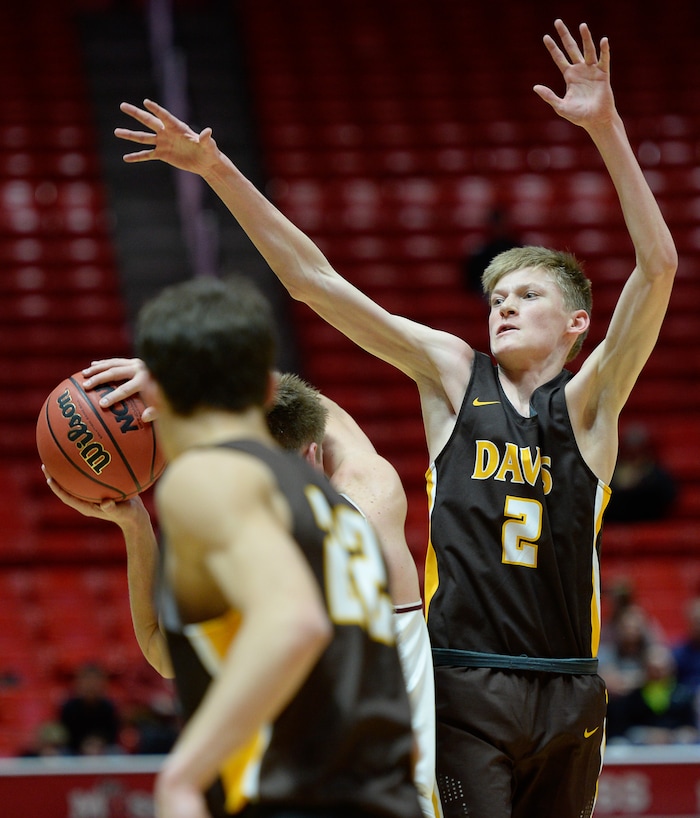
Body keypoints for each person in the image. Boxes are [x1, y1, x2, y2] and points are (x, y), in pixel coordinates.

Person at [108, 18, 678, 818]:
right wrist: (217, 169)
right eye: (496, 298)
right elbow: (314, 280)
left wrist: (607, 128)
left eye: (527, 296)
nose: (503, 308)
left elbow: (658, 270)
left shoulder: (590, 406)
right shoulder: (452, 375)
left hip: (570, 685)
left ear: (578, 323)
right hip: (464, 681)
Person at [54, 274, 423, 818]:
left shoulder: (210, 481)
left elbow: (294, 623)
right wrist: (137, 528)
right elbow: (171, 651)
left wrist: (185, 773)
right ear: (268, 390)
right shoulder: (354, 502)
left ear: (159, 390)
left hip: (293, 796)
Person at [606, 643, 699, 746]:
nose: (657, 675)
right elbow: (622, 729)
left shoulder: (684, 695)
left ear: (671, 669)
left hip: (675, 748)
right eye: (653, 670)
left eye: (662, 669)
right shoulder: (631, 698)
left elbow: (691, 728)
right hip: (639, 749)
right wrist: (647, 734)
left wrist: (672, 735)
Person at [605, 421, 678, 522]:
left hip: (652, 525)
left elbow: (668, 499)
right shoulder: (610, 477)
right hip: (615, 525)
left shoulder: (658, 477)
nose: (635, 460)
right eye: (630, 455)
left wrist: (642, 480)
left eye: (639, 453)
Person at [58, 662, 122, 755]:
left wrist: (98, 744)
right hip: (76, 751)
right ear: (78, 683)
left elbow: (112, 735)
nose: (91, 685)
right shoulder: (69, 708)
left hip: (102, 750)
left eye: (95, 680)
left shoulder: (109, 707)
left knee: (117, 753)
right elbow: (66, 735)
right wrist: (84, 746)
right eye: (87, 680)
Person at [462, 206, 521, 295]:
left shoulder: (518, 249)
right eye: (496, 225)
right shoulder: (481, 252)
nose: (499, 229)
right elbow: (472, 279)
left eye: (501, 224)